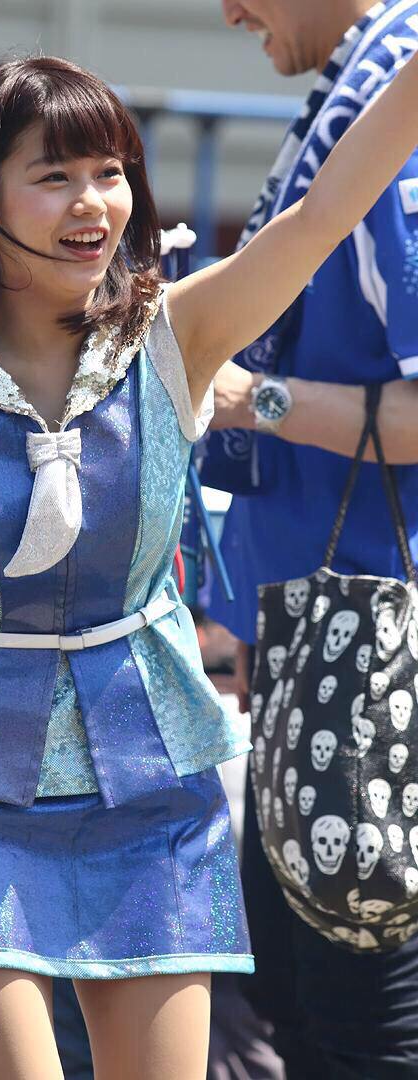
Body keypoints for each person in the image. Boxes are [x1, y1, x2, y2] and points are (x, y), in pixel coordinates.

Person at [0, 51, 418, 1079]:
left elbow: (320, 220)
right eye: (55, 176)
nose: (94, 203)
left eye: (110, 172)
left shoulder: (177, 336)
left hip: (155, 787)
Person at [203, 1, 418, 1076]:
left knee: (363, 1031)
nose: (228, 10)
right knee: (291, 1007)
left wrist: (255, 401)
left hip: (376, 661)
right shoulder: (359, 82)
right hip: (315, 643)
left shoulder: (397, 90)